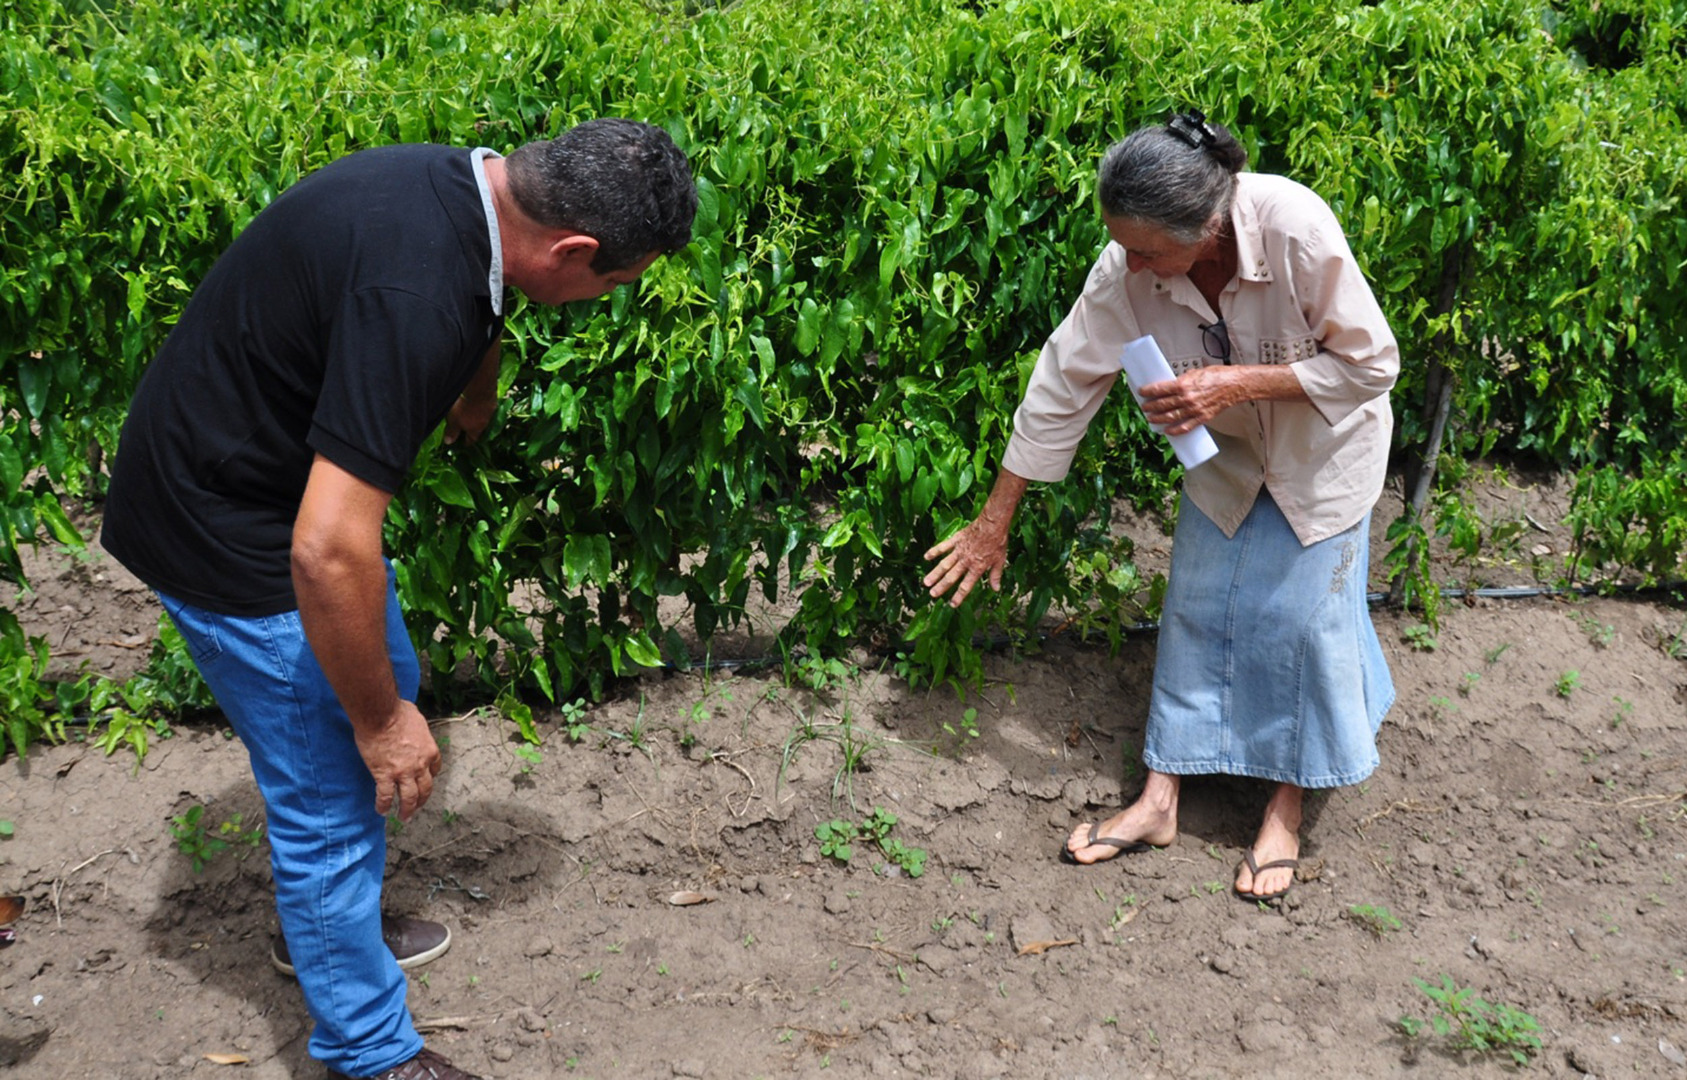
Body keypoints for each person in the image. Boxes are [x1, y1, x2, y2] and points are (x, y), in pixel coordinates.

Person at [101, 118, 697, 1080]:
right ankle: (369, 1054)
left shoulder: (460, 188)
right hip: (230, 529)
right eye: (612, 284)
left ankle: (327, 938)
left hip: (241, 475)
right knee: (338, 786)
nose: (605, 301)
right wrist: (379, 725)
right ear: (574, 248)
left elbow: (482, 296)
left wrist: (473, 388)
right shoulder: (418, 295)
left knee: (386, 689)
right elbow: (328, 550)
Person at [923, 110, 1396, 902]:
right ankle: (1159, 800)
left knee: (1304, 623)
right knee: (1195, 610)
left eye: (1147, 250)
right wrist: (992, 520)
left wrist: (1237, 381)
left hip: (1325, 449)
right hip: (1226, 457)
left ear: (1208, 227)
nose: (1131, 265)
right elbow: (1061, 385)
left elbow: (1369, 362)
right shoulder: (1124, 269)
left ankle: (1284, 809)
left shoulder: (1295, 229)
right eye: (1123, 245)